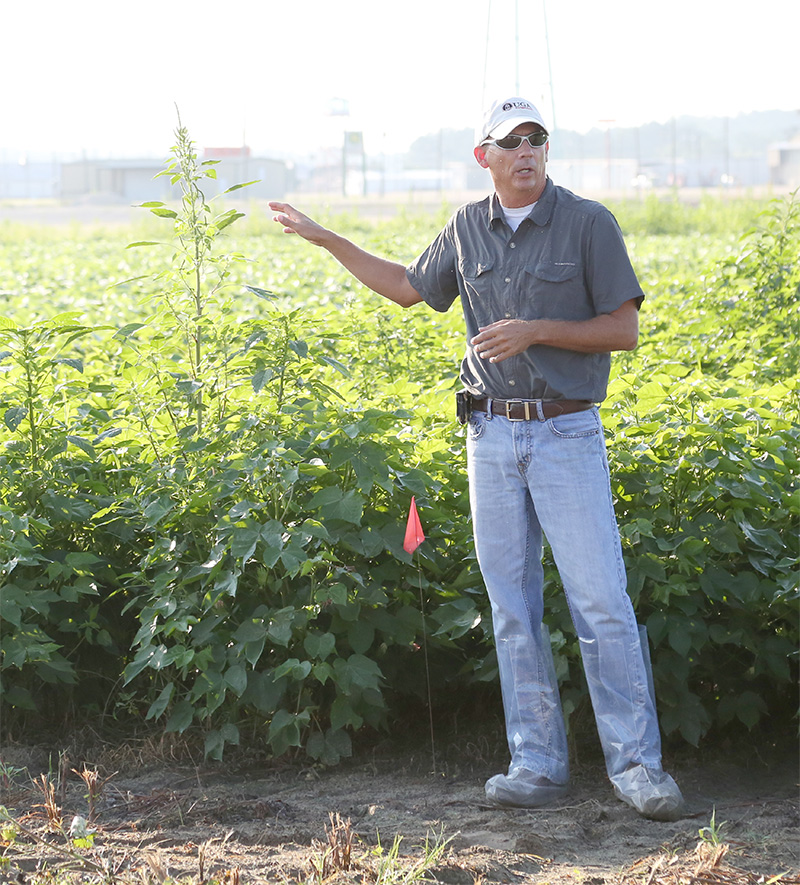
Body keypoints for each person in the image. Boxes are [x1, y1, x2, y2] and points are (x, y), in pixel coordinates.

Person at [269, 96, 685, 821]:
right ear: (483, 155)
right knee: (513, 608)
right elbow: (407, 288)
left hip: (565, 434)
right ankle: (536, 762)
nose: (526, 151)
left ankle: (638, 767)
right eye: (511, 142)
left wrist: (535, 332)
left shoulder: (588, 224)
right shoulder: (467, 226)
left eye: (537, 139)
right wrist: (325, 237)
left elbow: (624, 330)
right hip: (489, 438)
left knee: (601, 604)